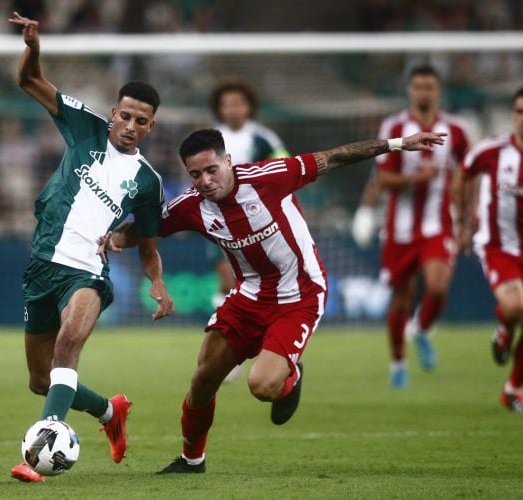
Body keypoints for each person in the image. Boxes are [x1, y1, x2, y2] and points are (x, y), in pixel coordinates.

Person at [101, 127, 446, 473]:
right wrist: (111, 237)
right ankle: (192, 461)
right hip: (249, 295)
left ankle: (290, 378)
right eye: (195, 174)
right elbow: (145, 229)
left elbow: (335, 157)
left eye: (211, 170)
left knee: (262, 386)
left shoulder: (272, 176)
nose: (205, 181)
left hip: (301, 293)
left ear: (228, 161)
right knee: (203, 379)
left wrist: (398, 144)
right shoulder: (191, 206)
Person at [7, 12, 175, 483]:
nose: (130, 126)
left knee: (68, 344)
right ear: (114, 112)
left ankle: (43, 445)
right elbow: (28, 81)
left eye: (141, 121)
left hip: (87, 273)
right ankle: (109, 411)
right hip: (42, 266)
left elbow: (147, 243)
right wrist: (33, 49)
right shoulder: (84, 125)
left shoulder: (147, 182)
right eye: (125, 116)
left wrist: (158, 283)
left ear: (151, 127)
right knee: (41, 379)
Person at [375, 64, 470, 388]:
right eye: (418, 87)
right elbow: (383, 179)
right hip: (399, 230)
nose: (424, 92)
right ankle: (398, 363)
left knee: (438, 287)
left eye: (429, 86)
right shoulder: (394, 126)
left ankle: (421, 329)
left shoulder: (455, 130)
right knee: (401, 299)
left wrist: (466, 218)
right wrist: (418, 177)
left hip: (437, 225)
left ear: (438, 90)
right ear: (409, 90)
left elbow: (468, 173)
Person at [209, 79, 290, 383]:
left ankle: (266, 345)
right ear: (219, 108)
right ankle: (230, 351)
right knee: (226, 281)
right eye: (227, 104)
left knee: (257, 285)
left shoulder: (264, 138)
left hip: (258, 223)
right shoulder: (211, 138)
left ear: (249, 107)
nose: (233, 109)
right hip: (219, 221)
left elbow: (285, 167)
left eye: (238, 103)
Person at [453, 86, 523, 412]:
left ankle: (512, 390)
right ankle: (504, 329)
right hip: (498, 246)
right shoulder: (493, 150)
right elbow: (462, 176)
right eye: (520, 111)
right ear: (513, 115)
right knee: (514, 306)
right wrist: (462, 222)